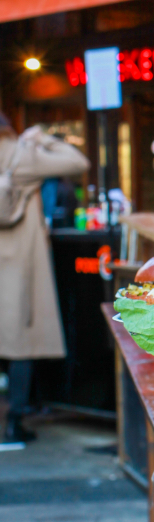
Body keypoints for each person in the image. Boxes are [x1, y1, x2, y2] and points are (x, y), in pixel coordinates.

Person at [0, 117, 89, 444]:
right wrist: (45, 138)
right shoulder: (21, 154)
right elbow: (79, 162)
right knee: (22, 340)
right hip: (19, 258)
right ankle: (14, 421)